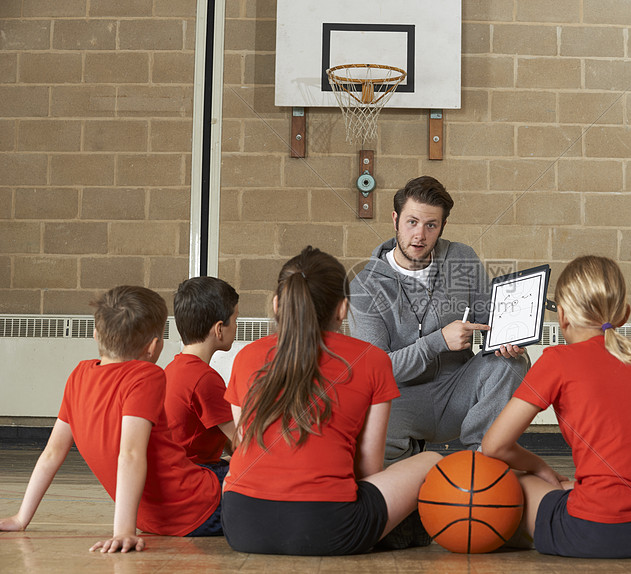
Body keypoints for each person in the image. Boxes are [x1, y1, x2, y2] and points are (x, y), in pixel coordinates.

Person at [220, 246, 442, 555]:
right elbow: (368, 468)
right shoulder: (373, 360)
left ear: (276, 304)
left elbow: (242, 442)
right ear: (342, 309)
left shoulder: (246, 357)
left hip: (241, 526)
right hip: (329, 530)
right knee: (433, 461)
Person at [482, 255, 631, 559]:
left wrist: (542, 469)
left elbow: (493, 446)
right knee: (573, 489)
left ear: (564, 316)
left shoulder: (556, 360)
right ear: (624, 314)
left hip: (598, 532)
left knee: (511, 480)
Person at [0, 286, 223, 552]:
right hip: (198, 510)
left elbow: (51, 453)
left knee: (218, 466)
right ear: (153, 346)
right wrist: (123, 532)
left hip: (148, 518)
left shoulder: (78, 375)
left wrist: (21, 517)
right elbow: (129, 453)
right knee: (257, 470)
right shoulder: (146, 375)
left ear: (96, 334)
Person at [349, 175, 529, 462]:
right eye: (412, 222)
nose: (419, 235)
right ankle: (408, 463)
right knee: (364, 413)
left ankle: (483, 460)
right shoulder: (365, 286)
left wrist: (508, 339)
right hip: (401, 401)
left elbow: (489, 322)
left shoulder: (462, 259)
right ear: (395, 220)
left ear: (442, 226)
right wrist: (438, 341)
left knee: (512, 362)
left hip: (457, 390)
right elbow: (377, 369)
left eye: (430, 225)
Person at [164, 276, 238, 473]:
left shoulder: (174, 368)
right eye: (235, 320)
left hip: (176, 468)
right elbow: (242, 439)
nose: (237, 327)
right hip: (192, 473)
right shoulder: (204, 378)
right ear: (219, 329)